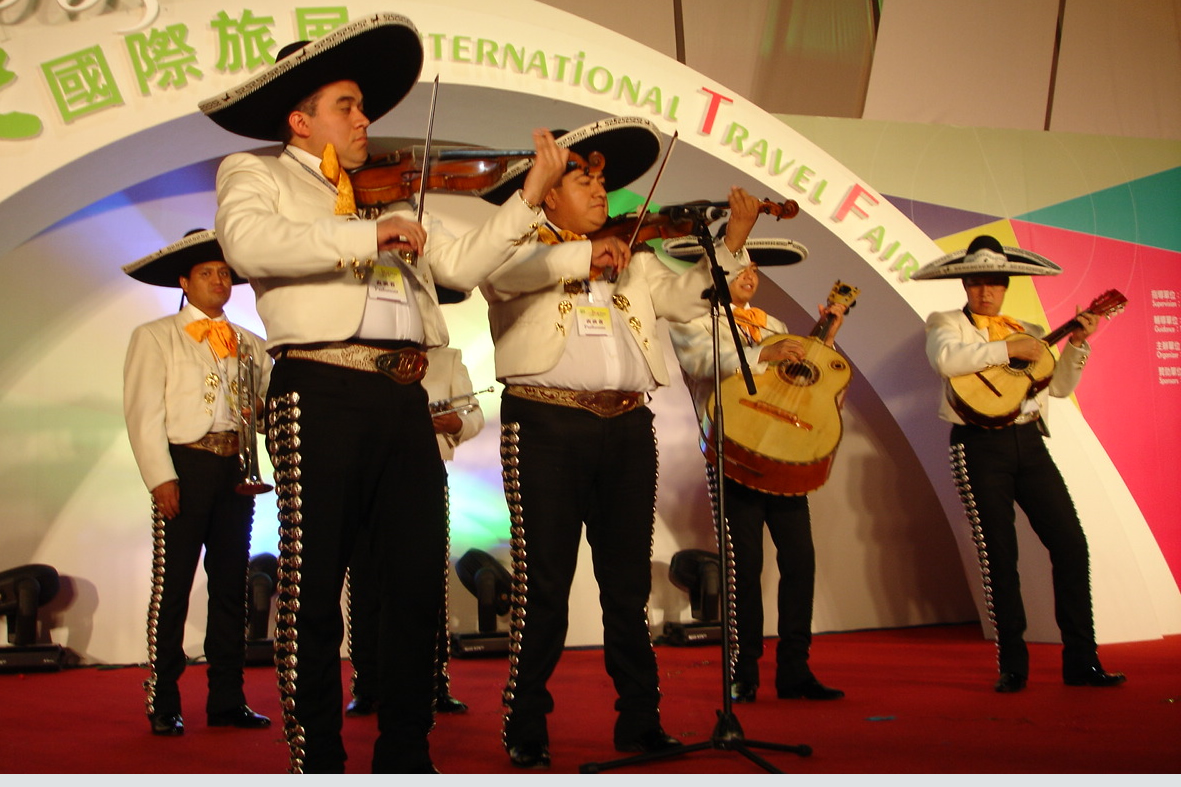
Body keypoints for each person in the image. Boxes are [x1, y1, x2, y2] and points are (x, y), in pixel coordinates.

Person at [199, 14, 567, 773]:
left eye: (364, 106)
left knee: (412, 584)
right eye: (348, 105)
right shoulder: (255, 173)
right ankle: (320, 755)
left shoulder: (384, 197)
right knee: (313, 585)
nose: (365, 119)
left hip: (404, 398)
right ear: (300, 120)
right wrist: (368, 236)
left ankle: (405, 752)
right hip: (319, 388)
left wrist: (529, 195)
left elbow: (462, 265)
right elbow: (248, 245)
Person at [475, 116, 760, 769]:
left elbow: (690, 298)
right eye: (584, 179)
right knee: (543, 584)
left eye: (603, 180)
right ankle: (525, 723)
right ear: (548, 192)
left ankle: (639, 717)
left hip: (628, 427)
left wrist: (733, 245)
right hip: (545, 424)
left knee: (626, 586)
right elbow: (505, 279)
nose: (602, 192)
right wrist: (586, 254)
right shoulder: (516, 246)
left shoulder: (630, 257)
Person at [915, 234, 1126, 693]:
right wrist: (1007, 350)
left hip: (1029, 443)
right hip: (977, 445)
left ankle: (1081, 660)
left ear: (1006, 285)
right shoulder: (946, 322)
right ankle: (1013, 663)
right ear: (964, 285)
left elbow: (1059, 387)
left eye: (994, 283)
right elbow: (945, 361)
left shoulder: (1030, 328)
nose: (985, 292)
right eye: (976, 283)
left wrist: (1076, 345)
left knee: (1071, 544)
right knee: (999, 555)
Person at [667, 241, 847, 704]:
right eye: (738, 265)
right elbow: (702, 364)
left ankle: (795, 669)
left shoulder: (774, 325)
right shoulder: (695, 319)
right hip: (735, 453)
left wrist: (823, 342)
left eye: (754, 267)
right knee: (743, 568)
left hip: (785, 455)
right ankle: (742, 672)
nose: (749, 273)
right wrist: (765, 356)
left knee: (800, 562)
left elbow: (808, 386)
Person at [122, 229, 272, 737]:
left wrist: (262, 411)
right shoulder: (155, 335)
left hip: (234, 470)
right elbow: (144, 414)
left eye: (225, 274)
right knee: (174, 587)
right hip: (185, 467)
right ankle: (164, 700)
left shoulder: (251, 344)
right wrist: (160, 477)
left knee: (231, 585)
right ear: (185, 282)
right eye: (207, 274)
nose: (218, 282)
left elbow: (268, 408)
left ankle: (226, 699)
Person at [346, 318, 486, 718]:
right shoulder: (362, 349)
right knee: (367, 579)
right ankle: (368, 684)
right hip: (365, 471)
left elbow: (472, 413)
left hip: (426, 468)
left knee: (427, 579)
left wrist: (455, 423)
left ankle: (435, 683)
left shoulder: (448, 358)